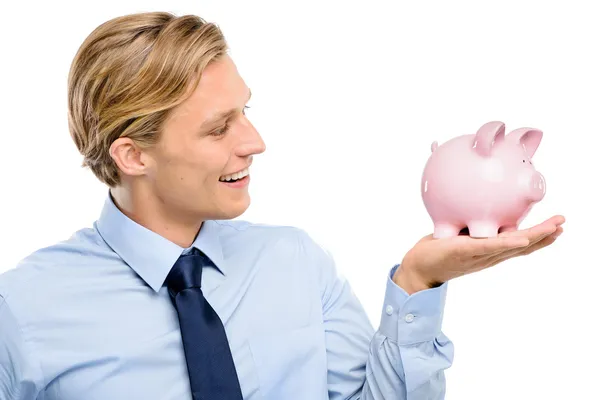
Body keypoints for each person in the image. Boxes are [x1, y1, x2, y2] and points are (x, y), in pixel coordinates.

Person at [0, 11, 565, 400]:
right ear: (133, 155)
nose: (254, 142)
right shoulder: (23, 308)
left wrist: (417, 283)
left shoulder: (294, 260)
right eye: (220, 127)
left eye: (245, 110)